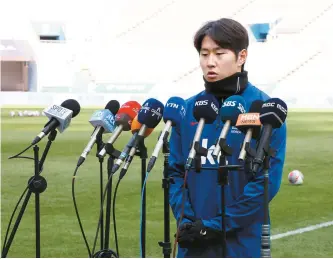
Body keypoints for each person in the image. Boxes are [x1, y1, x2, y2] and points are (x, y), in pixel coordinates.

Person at [168, 18, 287, 258]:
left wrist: (216, 226)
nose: (210, 62)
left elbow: (265, 183)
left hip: (242, 244)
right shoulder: (188, 110)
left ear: (241, 56)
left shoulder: (267, 110)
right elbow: (174, 173)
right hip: (192, 240)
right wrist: (190, 221)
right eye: (204, 54)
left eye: (219, 54)